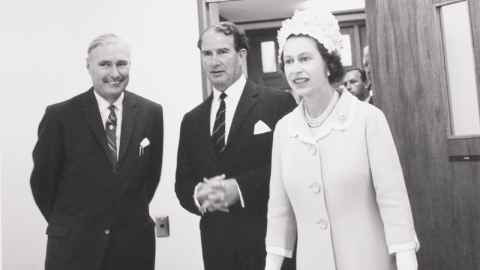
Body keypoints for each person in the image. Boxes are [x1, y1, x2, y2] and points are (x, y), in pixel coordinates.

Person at [265, 7, 419, 270]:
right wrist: (272, 264)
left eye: (305, 58)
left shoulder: (367, 119)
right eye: (288, 61)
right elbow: (279, 209)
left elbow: (393, 199)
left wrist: (406, 260)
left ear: (328, 64)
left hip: (369, 260)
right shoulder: (284, 129)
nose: (295, 69)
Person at [30, 34, 164, 270]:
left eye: (121, 63)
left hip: (133, 249)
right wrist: (72, 226)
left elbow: (149, 179)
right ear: (88, 67)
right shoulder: (60, 117)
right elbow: (42, 184)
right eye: (105, 64)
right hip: (74, 250)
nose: (115, 73)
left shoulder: (151, 113)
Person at [175, 22, 296, 270]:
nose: (214, 61)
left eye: (222, 52)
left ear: (241, 55)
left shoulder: (278, 103)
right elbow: (182, 184)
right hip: (217, 252)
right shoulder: (192, 120)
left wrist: (239, 189)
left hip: (269, 247)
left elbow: (292, 170)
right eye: (207, 54)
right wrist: (199, 195)